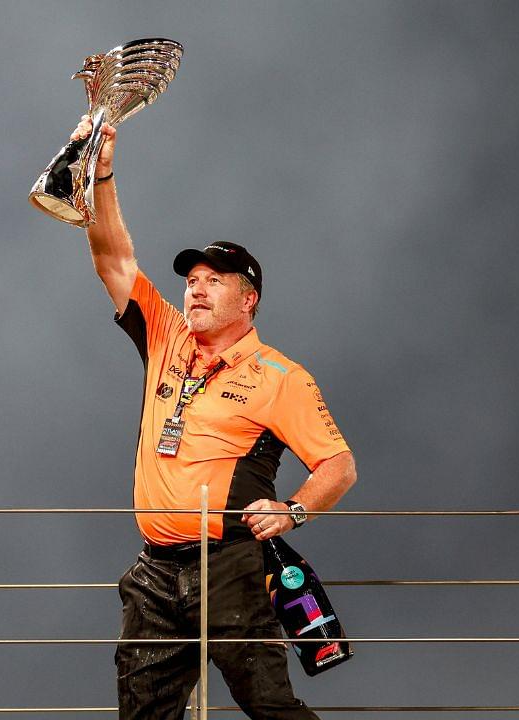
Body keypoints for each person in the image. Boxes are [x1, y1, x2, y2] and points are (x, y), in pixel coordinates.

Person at [69, 115, 357, 720]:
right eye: (192, 281)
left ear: (247, 299)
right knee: (143, 715)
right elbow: (113, 259)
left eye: (213, 281)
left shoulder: (281, 377)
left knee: (269, 706)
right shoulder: (166, 336)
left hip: (227, 565)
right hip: (154, 571)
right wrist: (101, 174)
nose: (195, 290)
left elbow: (339, 464)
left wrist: (293, 510)